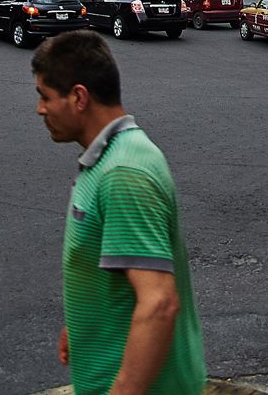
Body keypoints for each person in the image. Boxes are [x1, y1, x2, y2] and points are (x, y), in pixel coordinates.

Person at [32, 31, 204, 395]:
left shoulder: (124, 173)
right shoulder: (112, 157)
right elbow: (113, 273)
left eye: (45, 97)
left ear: (79, 97)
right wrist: (81, 325)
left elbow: (159, 303)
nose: (40, 109)